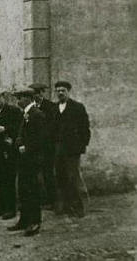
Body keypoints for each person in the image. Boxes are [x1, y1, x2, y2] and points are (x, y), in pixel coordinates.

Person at [8, 86, 46, 237]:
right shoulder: (25, 114)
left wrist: (27, 147)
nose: (18, 100)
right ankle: (24, 220)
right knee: (23, 190)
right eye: (17, 98)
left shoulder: (37, 114)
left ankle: (35, 222)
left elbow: (41, 138)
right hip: (24, 159)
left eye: (20, 97)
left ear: (29, 98)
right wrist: (18, 142)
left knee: (32, 190)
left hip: (32, 159)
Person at [53, 81, 90, 218]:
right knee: (60, 177)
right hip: (58, 149)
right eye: (58, 90)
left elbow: (85, 129)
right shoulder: (54, 108)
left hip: (72, 149)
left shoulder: (77, 107)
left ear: (68, 91)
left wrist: (81, 146)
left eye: (63, 90)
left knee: (74, 177)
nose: (60, 93)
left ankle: (80, 207)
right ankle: (65, 206)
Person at [0, 88, 23, 219]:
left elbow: (20, 128)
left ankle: (10, 209)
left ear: (4, 98)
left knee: (9, 180)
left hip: (8, 152)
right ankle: (0, 208)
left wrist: (5, 129)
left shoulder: (13, 111)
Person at [30, 82, 57, 209]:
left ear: (42, 93)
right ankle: (39, 199)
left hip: (46, 146)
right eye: (34, 93)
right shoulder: (30, 108)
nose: (36, 95)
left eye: (38, 93)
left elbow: (52, 126)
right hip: (34, 145)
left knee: (48, 173)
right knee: (35, 173)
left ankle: (52, 200)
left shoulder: (50, 106)